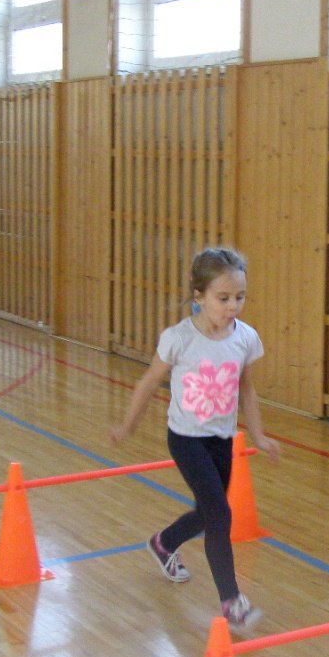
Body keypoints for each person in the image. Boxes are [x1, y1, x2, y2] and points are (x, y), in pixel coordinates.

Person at [110, 247, 281, 633]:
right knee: (220, 514)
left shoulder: (245, 338)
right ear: (199, 295)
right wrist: (127, 426)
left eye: (239, 297)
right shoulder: (179, 339)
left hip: (221, 440)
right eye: (223, 298)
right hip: (186, 440)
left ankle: (164, 543)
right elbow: (148, 382)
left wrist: (258, 435)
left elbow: (247, 389)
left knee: (207, 512)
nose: (232, 306)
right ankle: (231, 602)